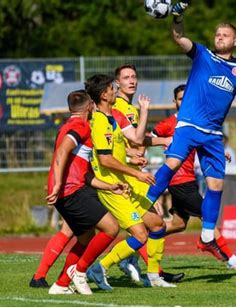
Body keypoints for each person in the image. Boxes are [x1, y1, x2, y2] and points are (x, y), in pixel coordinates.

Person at [145, 5, 236, 254]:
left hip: (213, 133)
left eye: (225, 34)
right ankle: (142, 204)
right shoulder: (203, 54)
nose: (219, 37)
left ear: (235, 40)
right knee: (173, 163)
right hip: (188, 124)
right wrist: (177, 16)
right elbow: (179, 38)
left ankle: (208, 236)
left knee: (216, 184)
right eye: (217, 34)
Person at [123, 84, 236, 277]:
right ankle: (232, 260)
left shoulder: (197, 122)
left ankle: (134, 243)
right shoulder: (169, 123)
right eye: (179, 99)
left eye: (186, 98)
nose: (183, 102)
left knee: (178, 224)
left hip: (189, 179)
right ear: (174, 102)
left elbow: (205, 145)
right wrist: (147, 151)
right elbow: (141, 139)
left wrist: (220, 153)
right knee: (206, 218)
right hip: (178, 181)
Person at [85, 74, 176, 289]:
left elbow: (118, 147)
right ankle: (99, 268)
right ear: (103, 94)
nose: (115, 89)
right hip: (112, 187)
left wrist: (129, 156)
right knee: (140, 234)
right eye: (111, 87)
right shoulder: (99, 122)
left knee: (157, 224)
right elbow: (105, 159)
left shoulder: (111, 117)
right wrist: (136, 173)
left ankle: (154, 276)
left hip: (125, 181)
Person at [44, 90, 127, 295]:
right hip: (70, 190)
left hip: (69, 189)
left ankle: (61, 284)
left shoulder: (66, 126)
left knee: (86, 236)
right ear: (90, 105)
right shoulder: (80, 126)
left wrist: (109, 186)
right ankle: (80, 272)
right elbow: (63, 151)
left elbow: (82, 171)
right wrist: (58, 184)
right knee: (111, 228)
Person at [111, 63, 184, 284]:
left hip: (134, 173)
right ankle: (98, 268)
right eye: (126, 77)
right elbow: (120, 142)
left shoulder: (131, 109)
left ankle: (145, 269)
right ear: (117, 83)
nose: (131, 80)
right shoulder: (117, 107)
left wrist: (162, 141)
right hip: (120, 175)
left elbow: (137, 139)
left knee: (152, 223)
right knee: (150, 224)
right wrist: (130, 155)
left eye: (134, 76)